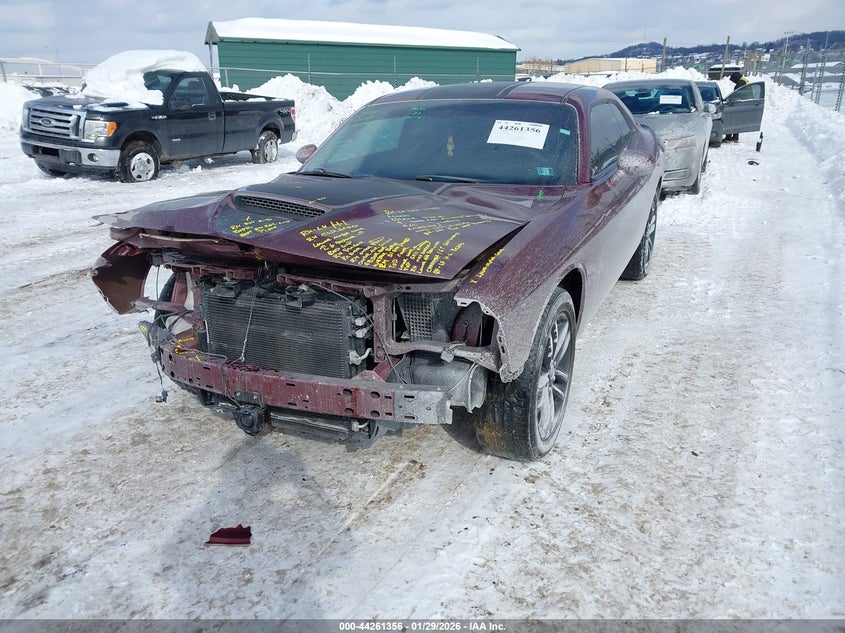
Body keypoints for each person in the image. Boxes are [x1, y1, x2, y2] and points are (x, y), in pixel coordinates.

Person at [724, 72, 750, 142]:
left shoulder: (741, 82)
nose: (734, 82)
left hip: (739, 103)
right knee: (737, 120)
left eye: (733, 80)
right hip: (744, 103)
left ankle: (728, 137)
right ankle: (735, 137)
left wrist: (730, 100)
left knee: (731, 119)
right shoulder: (744, 80)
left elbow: (737, 93)